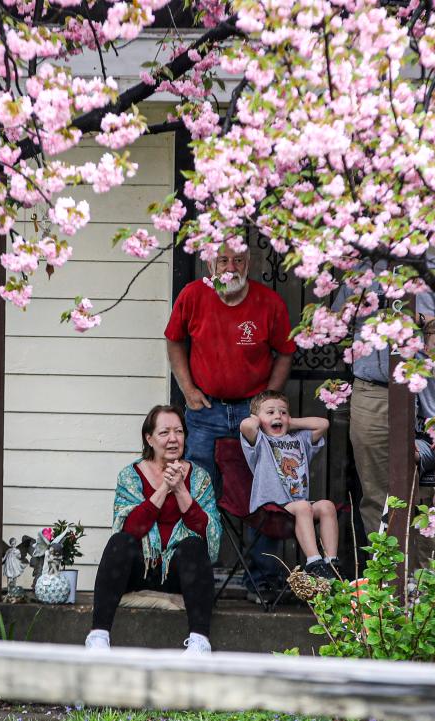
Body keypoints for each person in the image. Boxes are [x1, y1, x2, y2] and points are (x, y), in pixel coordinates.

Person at [164, 244, 296, 599]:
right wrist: (188, 389)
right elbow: (174, 342)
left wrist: (267, 401)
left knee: (262, 493)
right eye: (223, 260)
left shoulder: (268, 302)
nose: (231, 267)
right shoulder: (193, 295)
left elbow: (286, 351)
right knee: (197, 492)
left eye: (238, 259)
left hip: (251, 417)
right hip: (204, 413)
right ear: (210, 263)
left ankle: (263, 578)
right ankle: (195, 575)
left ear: (248, 262)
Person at [334, 265, 435, 543]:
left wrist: (426, 324)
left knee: (428, 493)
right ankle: (386, 574)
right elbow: (339, 323)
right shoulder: (363, 270)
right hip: (374, 389)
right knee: (377, 491)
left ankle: (424, 578)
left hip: (430, 391)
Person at [85, 405, 221, 655]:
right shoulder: (131, 475)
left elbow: (206, 531)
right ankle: (98, 638)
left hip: (181, 575)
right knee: (120, 542)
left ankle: (200, 643)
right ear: (149, 438)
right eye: (165, 432)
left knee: (193, 545)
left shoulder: (199, 477)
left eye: (179, 431)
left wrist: (180, 489)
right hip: (141, 570)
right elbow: (131, 527)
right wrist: (164, 488)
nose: (173, 439)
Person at [239, 390, 337, 580]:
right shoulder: (260, 441)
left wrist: (290, 422)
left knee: (327, 506)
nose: (278, 416)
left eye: (283, 412)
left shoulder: (300, 439)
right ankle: (313, 562)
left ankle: (331, 563)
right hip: (269, 507)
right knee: (303, 507)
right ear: (258, 418)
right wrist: (258, 419)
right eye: (271, 412)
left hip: (298, 506)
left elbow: (323, 424)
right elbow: (246, 425)